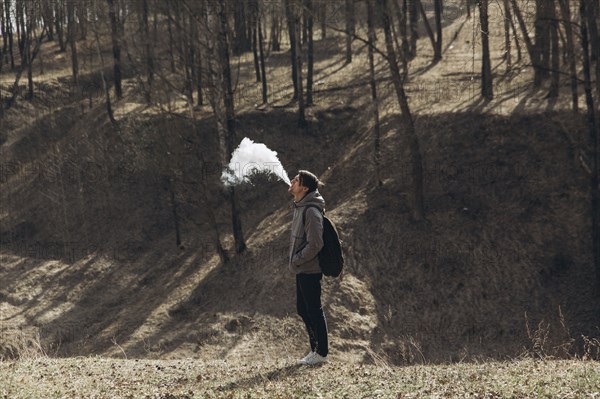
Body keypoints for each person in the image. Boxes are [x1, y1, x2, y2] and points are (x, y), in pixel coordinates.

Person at [288, 170, 328, 365]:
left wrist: (297, 259)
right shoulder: (300, 206)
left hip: (309, 268)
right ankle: (315, 351)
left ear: (304, 188)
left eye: (297, 180)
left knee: (313, 310)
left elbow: (315, 244)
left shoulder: (311, 211)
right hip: (302, 268)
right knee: (303, 309)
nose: (292, 181)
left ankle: (321, 353)